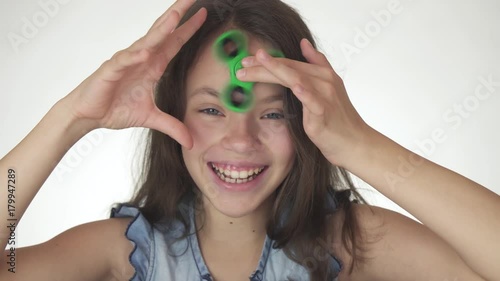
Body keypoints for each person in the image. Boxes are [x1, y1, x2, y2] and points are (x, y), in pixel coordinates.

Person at [1, 0, 499, 280]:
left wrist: (359, 144)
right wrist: (71, 119)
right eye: (212, 109)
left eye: (274, 113)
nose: (240, 140)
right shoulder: (122, 252)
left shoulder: (351, 242)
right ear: (171, 114)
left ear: (307, 123)